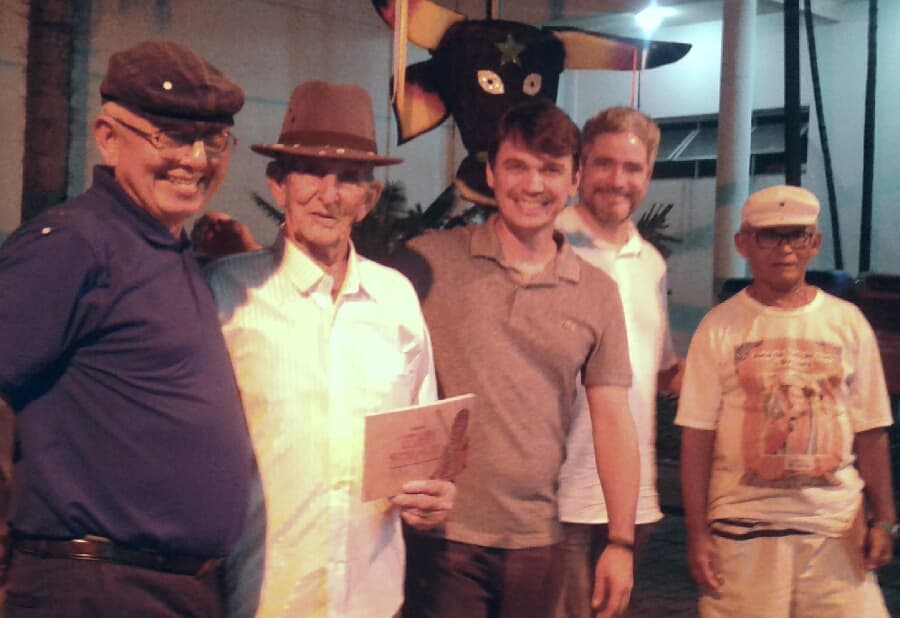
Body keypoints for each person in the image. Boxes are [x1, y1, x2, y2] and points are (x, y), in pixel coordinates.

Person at [0, 40, 253, 616]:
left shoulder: (163, 249)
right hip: (97, 588)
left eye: (213, 140)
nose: (196, 159)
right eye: (171, 136)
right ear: (108, 138)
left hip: (167, 589)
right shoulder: (75, 244)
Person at [204, 80, 456, 618]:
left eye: (348, 178)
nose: (329, 193)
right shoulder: (228, 294)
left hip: (373, 600)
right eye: (311, 171)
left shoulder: (396, 298)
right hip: (265, 598)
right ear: (278, 184)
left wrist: (430, 498)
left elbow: (422, 453)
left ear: (368, 199)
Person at [396, 99, 640, 618]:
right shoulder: (430, 260)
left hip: (537, 540)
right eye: (517, 166)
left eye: (550, 169)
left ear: (573, 179)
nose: (533, 185)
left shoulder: (596, 292)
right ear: (491, 173)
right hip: (442, 538)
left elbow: (613, 421)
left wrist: (621, 542)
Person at [676, 185, 895, 617]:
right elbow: (697, 437)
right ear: (744, 244)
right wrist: (697, 532)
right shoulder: (718, 327)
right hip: (742, 531)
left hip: (835, 529)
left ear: (814, 242)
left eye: (796, 234)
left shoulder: (848, 323)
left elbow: (870, 429)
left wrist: (885, 518)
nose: (785, 248)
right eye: (769, 236)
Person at [554, 106, 681, 618]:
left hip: (631, 501)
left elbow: (661, 369)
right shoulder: (549, 243)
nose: (618, 180)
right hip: (558, 493)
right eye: (604, 164)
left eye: (632, 168)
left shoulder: (651, 263)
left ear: (648, 174)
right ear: (580, 167)